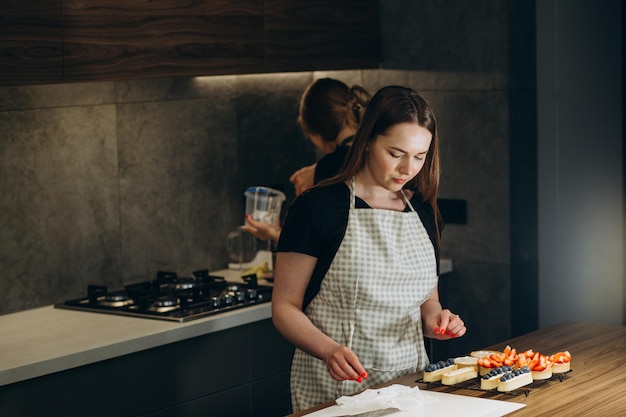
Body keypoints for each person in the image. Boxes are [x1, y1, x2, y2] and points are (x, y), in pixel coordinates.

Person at [271, 86, 467, 412]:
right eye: (395, 153)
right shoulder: (317, 208)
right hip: (336, 388)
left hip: (408, 384)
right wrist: (328, 349)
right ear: (367, 141)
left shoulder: (422, 210)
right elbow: (284, 307)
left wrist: (439, 321)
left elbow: (428, 301)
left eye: (420, 157)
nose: (408, 169)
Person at [242, 78, 371, 243]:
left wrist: (274, 234)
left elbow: (315, 245)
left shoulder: (329, 168)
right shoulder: (379, 150)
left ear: (315, 134)